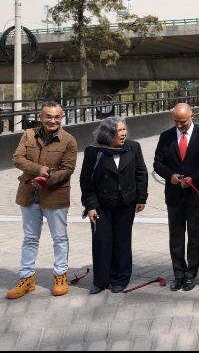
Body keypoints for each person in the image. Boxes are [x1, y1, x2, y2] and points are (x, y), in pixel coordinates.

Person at [6, 102, 77, 300]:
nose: (52, 120)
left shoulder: (69, 140)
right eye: (48, 116)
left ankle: (60, 275)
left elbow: (68, 169)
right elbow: (17, 158)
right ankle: (27, 278)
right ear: (41, 117)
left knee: (60, 238)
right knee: (30, 238)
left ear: (61, 118)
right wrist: (39, 170)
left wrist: (46, 180)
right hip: (29, 195)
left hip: (56, 195)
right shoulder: (28, 135)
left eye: (56, 117)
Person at [80, 117, 148, 294]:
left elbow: (141, 173)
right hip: (102, 205)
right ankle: (100, 281)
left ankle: (120, 279)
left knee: (122, 241)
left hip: (126, 203)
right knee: (102, 242)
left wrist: (141, 198)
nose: (123, 134)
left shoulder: (133, 147)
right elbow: (85, 181)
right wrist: (91, 206)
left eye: (124, 130)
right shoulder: (93, 151)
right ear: (107, 134)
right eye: (119, 131)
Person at [153, 103, 199, 292]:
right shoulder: (166, 137)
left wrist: (192, 179)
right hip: (174, 196)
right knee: (176, 236)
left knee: (195, 236)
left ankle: (191, 274)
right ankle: (178, 274)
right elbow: (157, 163)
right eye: (176, 122)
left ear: (192, 116)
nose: (179, 125)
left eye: (183, 122)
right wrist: (170, 176)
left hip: (196, 195)